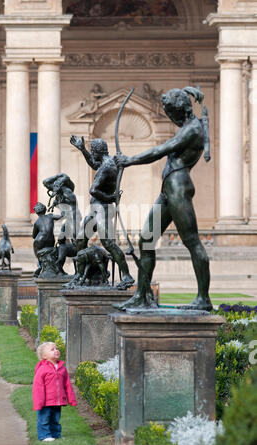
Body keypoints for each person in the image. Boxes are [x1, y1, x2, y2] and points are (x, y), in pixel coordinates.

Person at [115, 86, 212, 311]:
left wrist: (130, 160)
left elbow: (160, 150)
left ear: (181, 111)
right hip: (168, 190)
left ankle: (203, 299)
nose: (171, 118)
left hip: (179, 188)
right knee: (146, 239)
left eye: (171, 114)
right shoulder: (189, 125)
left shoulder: (193, 129)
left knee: (192, 242)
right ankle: (142, 295)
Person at [70, 134, 134, 290]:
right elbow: (93, 164)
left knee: (108, 243)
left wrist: (110, 197)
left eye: (92, 151)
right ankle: (81, 274)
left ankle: (126, 276)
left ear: (97, 151)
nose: (92, 154)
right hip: (96, 209)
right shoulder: (109, 162)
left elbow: (93, 190)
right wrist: (83, 149)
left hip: (102, 209)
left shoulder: (106, 168)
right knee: (80, 239)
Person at [32, 342, 77, 442]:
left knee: (55, 420)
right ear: (44, 356)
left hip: (58, 401)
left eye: (56, 348)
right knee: (44, 419)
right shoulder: (42, 369)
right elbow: (37, 387)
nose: (56, 350)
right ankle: (44, 436)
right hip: (45, 402)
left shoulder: (62, 369)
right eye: (52, 349)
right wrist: (39, 402)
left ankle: (56, 435)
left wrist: (71, 399)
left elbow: (67, 385)